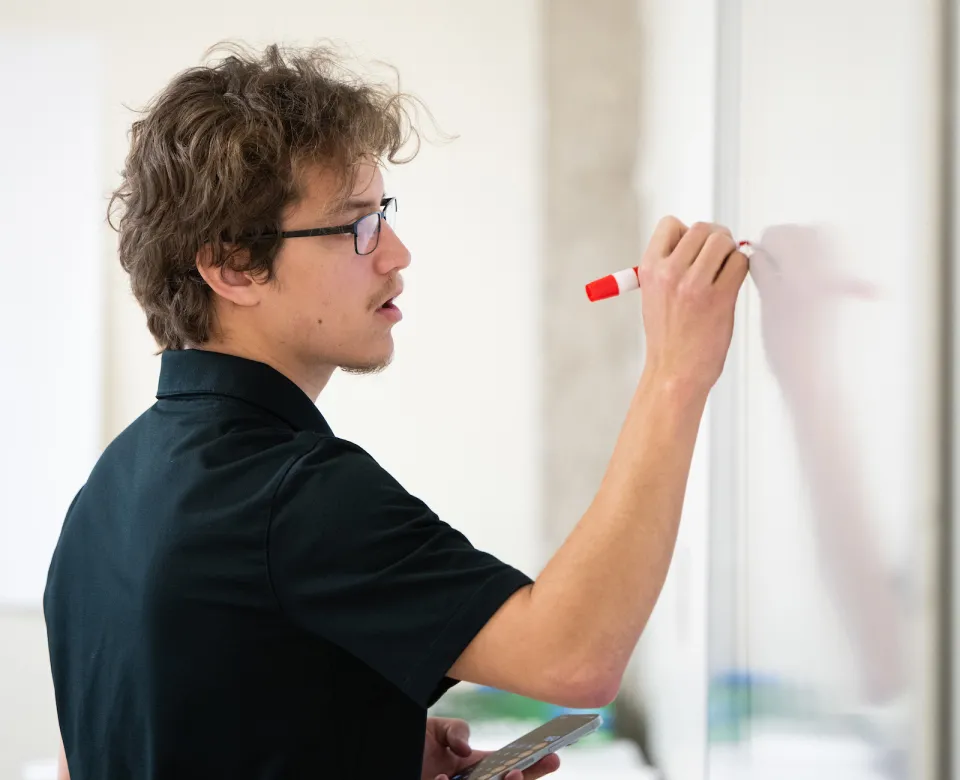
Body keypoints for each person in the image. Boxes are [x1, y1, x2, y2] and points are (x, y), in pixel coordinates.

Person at [43, 42, 748, 780]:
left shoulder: (106, 492)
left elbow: (94, 754)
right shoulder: (288, 493)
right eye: (357, 226)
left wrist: (359, 743)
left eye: (383, 214)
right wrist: (675, 372)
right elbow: (574, 656)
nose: (396, 253)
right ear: (232, 267)